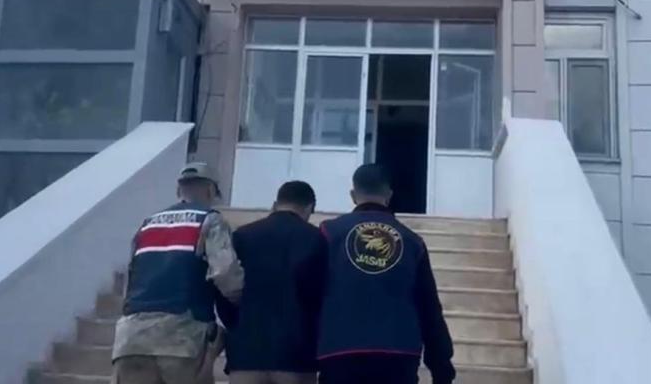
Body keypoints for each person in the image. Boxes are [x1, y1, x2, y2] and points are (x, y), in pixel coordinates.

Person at [317, 164, 456, 384]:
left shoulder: (328, 233)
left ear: (353, 195)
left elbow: (309, 293)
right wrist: (441, 366)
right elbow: (429, 307)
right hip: (398, 353)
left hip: (339, 351)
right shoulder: (412, 242)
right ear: (389, 195)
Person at [112, 162, 243, 384]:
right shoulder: (210, 220)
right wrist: (244, 303)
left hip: (131, 339)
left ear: (178, 190)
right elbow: (225, 273)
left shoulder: (147, 225)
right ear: (210, 190)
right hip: (182, 338)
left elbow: (131, 279)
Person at [216, 181, 326, 384]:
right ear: (310, 208)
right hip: (295, 354)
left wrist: (238, 325)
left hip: (246, 352)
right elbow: (321, 297)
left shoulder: (241, 236)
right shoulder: (316, 239)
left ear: (275, 204)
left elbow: (224, 289)